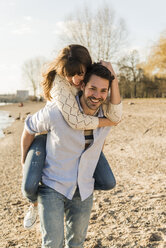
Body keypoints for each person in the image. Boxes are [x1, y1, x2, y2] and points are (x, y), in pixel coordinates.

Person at [22, 44, 122, 229]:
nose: (75, 80)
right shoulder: (60, 85)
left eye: (80, 74)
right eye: (70, 75)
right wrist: (25, 159)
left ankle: (74, 189)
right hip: (46, 136)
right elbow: (76, 120)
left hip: (80, 141)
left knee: (108, 181)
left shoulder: (93, 81)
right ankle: (33, 203)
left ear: (87, 68)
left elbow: (115, 114)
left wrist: (113, 78)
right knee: (28, 185)